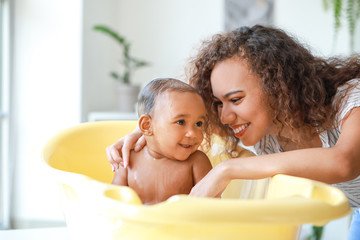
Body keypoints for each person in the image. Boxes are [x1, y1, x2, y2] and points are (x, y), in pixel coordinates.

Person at [106, 25, 360, 236]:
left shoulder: (350, 98)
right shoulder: (268, 136)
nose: (225, 117)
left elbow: (344, 162)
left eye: (236, 99)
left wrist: (226, 170)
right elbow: (186, 123)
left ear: (279, 88)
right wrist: (149, 136)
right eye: (218, 103)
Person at [111, 78, 213, 205]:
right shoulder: (128, 161)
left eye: (198, 124)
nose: (192, 133)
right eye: (181, 122)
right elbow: (113, 204)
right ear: (147, 126)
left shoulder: (197, 162)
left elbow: (212, 208)